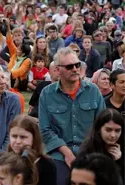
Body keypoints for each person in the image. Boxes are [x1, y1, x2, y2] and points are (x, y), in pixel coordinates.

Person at [39, 47, 106, 185]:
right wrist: (67, 153)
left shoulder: (93, 91)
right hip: (59, 155)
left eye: (77, 65)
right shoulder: (47, 94)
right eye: (69, 66)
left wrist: (87, 152)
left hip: (89, 153)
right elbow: (45, 130)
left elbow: (102, 126)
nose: (75, 69)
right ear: (57, 70)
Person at [0, 115, 57, 185]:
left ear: (34, 138)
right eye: (14, 136)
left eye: (23, 137)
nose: (18, 142)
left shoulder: (46, 165)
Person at [78, 108, 125, 181]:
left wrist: (119, 161)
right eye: (108, 130)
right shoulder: (88, 150)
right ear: (99, 129)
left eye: (117, 131)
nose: (113, 135)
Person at [6, 25, 32, 91]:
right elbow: (9, 42)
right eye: (15, 36)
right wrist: (8, 28)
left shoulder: (27, 60)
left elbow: (20, 72)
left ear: (23, 53)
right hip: (10, 77)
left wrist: (8, 73)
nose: (17, 50)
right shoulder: (15, 53)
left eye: (19, 50)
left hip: (19, 81)